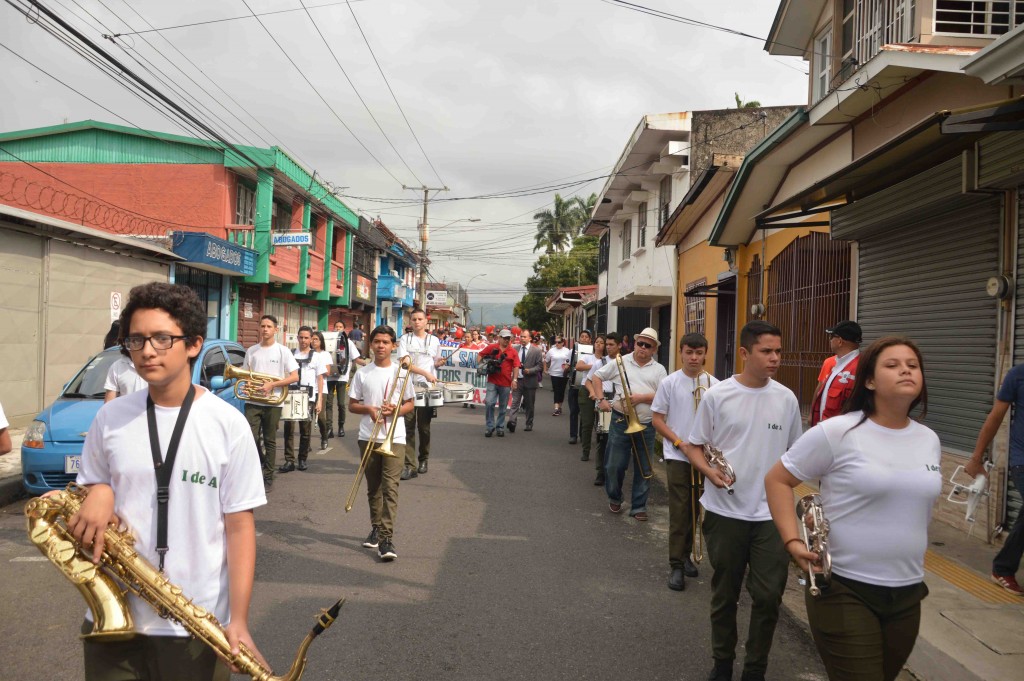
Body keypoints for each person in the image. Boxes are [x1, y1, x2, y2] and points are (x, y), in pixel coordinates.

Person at [70, 282, 267, 680]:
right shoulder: (110, 418)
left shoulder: (228, 425)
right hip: (113, 618)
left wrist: (239, 620)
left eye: (162, 338)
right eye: (136, 340)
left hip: (196, 621)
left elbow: (240, 527)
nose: (146, 351)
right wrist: (98, 491)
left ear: (193, 344)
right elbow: (89, 489)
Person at [766, 337, 940, 681]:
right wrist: (792, 541)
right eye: (892, 365)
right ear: (870, 381)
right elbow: (777, 480)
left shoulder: (928, 439)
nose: (906, 369)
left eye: (913, 364)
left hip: (907, 593)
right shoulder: (838, 432)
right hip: (844, 588)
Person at [684, 320, 803, 681]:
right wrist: (709, 471)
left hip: (771, 516)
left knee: (768, 597)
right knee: (725, 594)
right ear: (744, 353)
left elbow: (797, 455)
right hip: (725, 511)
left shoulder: (787, 399)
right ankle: (722, 662)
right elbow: (693, 444)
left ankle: (755, 669)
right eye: (766, 351)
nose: (775, 359)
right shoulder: (718, 396)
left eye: (778, 352)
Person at [652, 333, 719, 592]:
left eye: (699, 352)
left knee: (697, 508)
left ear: (705, 354)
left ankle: (688, 554)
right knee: (680, 510)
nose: (694, 357)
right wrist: (680, 443)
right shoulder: (669, 382)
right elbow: (658, 419)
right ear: (680, 352)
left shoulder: (715, 384)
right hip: (678, 454)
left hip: (706, 457)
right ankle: (676, 565)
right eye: (689, 352)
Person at [348, 325, 416, 562]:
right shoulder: (362, 373)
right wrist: (369, 408)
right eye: (377, 341)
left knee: (391, 488)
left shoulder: (401, 372)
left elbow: (410, 404)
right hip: (367, 436)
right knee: (373, 488)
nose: (380, 346)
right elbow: (352, 404)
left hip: (394, 438)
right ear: (371, 344)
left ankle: (386, 537)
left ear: (393, 346)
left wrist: (394, 411)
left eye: (386, 342)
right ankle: (376, 527)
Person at [592, 327, 667, 521]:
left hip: (647, 424)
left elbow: (665, 396)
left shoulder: (659, 370)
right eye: (640, 343)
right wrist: (601, 399)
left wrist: (640, 398)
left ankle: (639, 506)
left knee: (645, 467)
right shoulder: (620, 362)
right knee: (613, 465)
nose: (642, 347)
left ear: (654, 350)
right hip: (620, 420)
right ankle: (615, 497)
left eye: (647, 345)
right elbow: (597, 377)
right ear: (635, 343)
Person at [967, 359, 1024, 595]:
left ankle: (1003, 568)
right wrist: (977, 456)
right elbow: (996, 416)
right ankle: (1003, 568)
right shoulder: (1018, 374)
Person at [243, 315, 299, 491]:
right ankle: (257, 467)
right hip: (253, 401)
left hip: (273, 402)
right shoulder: (251, 351)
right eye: (262, 326)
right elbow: (246, 374)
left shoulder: (283, 351)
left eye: (269, 326)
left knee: (269, 440)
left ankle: (268, 477)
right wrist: (246, 386)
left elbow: (294, 376)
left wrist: (272, 384)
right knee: (250, 438)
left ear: (276, 330)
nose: (265, 329)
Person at [398, 309, 444, 479]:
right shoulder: (405, 339)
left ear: (426, 321)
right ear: (410, 322)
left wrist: (439, 363)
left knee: (424, 427)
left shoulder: (434, 341)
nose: (417, 322)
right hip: (408, 387)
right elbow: (404, 363)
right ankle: (409, 465)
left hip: (427, 389)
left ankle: (423, 458)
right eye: (414, 319)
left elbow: (435, 362)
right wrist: (425, 372)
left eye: (420, 319)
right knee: (408, 427)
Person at [278, 327, 325, 473]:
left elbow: (320, 379)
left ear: (311, 339)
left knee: (305, 430)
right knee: (288, 430)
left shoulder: (317, 357)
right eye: (301, 337)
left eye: (306, 338)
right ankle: (289, 460)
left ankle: (302, 459)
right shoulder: (290, 354)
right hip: (290, 395)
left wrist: (319, 400)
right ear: (297, 338)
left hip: (308, 396)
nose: (303, 341)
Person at [810, 321, 862, 426]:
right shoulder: (838, 364)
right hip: (827, 430)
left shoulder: (859, 369)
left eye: (831, 337)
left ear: (839, 341)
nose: (830, 340)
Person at [480, 329, 521, 437]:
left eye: (508, 338)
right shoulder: (492, 347)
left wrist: (515, 380)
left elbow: (516, 366)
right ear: (499, 338)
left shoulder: (513, 351)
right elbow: (480, 355)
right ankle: (489, 427)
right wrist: (483, 365)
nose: (507, 340)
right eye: (505, 338)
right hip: (492, 381)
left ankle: (500, 427)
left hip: (506, 383)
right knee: (489, 402)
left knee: (503, 407)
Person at [325, 321, 362, 439]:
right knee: (328, 403)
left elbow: (356, 358)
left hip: (342, 376)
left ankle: (341, 426)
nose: (338, 328)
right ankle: (329, 427)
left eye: (340, 327)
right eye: (336, 326)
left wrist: (367, 364)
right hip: (329, 375)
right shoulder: (328, 341)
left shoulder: (348, 342)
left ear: (344, 329)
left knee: (341, 403)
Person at [508, 329, 543, 433]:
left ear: (530, 338)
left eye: (524, 337)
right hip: (517, 379)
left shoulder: (536, 351)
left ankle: (529, 423)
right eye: (521, 337)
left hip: (530, 380)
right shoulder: (515, 348)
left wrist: (530, 370)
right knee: (515, 402)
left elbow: (540, 366)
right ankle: (512, 422)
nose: (522, 339)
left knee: (529, 404)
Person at [576, 333, 603, 459]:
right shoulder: (588, 357)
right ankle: (585, 451)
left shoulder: (607, 360)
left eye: (601, 342)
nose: (599, 344)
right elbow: (578, 366)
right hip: (586, 390)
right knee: (587, 422)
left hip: (601, 391)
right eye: (597, 342)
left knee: (601, 424)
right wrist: (595, 366)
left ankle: (600, 450)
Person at [567, 330, 593, 445]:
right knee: (573, 411)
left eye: (586, 337)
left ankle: (583, 435)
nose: (583, 338)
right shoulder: (573, 351)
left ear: (590, 339)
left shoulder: (593, 353)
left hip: (586, 386)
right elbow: (568, 364)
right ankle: (573, 435)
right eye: (582, 336)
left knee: (584, 413)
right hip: (574, 385)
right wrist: (567, 368)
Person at [310, 331, 333, 451]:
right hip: (308, 387)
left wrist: (317, 367)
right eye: (312, 339)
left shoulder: (325, 355)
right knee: (307, 416)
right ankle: (306, 442)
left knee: (320, 415)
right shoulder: (308, 353)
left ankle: (324, 436)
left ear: (321, 342)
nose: (314, 341)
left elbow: (328, 372)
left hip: (321, 388)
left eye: (316, 339)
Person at [545, 336, 572, 416]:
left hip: (564, 373)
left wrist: (567, 366)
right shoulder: (551, 351)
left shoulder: (567, 351)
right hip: (554, 373)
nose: (557, 344)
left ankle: (560, 406)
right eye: (555, 342)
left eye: (559, 342)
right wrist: (545, 369)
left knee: (562, 391)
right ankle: (556, 408)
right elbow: (546, 360)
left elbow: (570, 362)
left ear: (563, 343)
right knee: (556, 390)